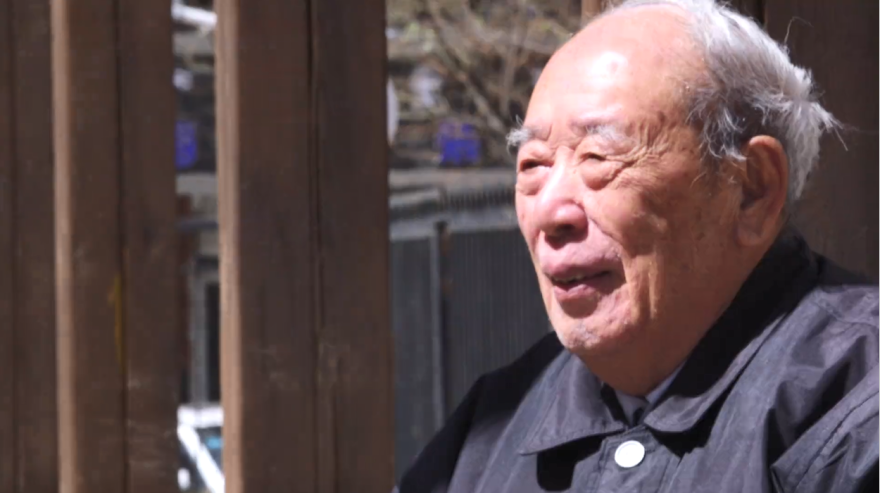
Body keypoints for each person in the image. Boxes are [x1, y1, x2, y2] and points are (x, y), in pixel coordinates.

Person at [395, 0, 879, 492]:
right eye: (533, 165)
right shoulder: (488, 431)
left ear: (751, 188)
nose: (549, 213)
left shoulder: (856, 409)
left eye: (599, 156)